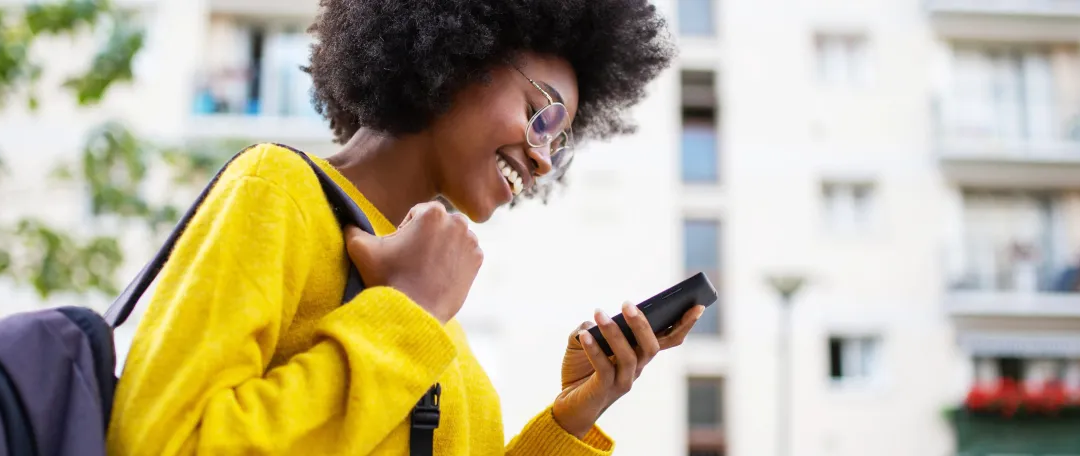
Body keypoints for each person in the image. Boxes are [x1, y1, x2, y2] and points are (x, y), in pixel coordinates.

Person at [106, 0, 699, 454]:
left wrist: (574, 413)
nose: (543, 158)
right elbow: (162, 440)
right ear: (459, 55)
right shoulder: (278, 189)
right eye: (539, 113)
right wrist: (405, 312)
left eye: (560, 144)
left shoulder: (441, 325)